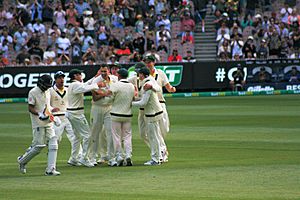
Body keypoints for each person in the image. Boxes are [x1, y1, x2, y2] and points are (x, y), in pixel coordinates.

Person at [17, 75, 61, 176]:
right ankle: (22, 161)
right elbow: (30, 107)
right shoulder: (33, 92)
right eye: (46, 86)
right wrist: (39, 113)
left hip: (48, 121)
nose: (47, 88)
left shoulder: (48, 91)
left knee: (54, 143)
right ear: (41, 83)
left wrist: (53, 113)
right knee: (38, 147)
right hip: (38, 122)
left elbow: (47, 107)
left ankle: (50, 169)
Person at [66, 68, 104, 167]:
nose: (81, 76)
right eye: (79, 74)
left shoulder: (74, 84)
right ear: (75, 76)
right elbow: (85, 88)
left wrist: (96, 77)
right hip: (76, 114)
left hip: (72, 113)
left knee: (77, 136)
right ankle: (84, 158)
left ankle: (74, 158)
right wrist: (97, 85)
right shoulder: (75, 85)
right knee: (87, 135)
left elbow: (85, 84)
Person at [144, 55, 176, 162]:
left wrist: (171, 89)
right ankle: (161, 151)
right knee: (155, 131)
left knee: (164, 129)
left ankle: (162, 149)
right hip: (150, 106)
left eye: (149, 62)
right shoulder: (143, 75)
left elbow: (167, 86)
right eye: (146, 62)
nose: (148, 64)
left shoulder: (160, 73)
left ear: (154, 62)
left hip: (161, 104)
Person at [49, 71, 82, 166]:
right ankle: (51, 158)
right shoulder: (50, 91)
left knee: (75, 137)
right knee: (56, 139)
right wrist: (51, 110)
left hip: (68, 116)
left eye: (63, 77)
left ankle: (77, 158)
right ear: (55, 80)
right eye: (59, 78)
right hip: (56, 119)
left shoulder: (68, 89)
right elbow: (46, 105)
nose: (61, 80)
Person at [132, 67, 164, 166]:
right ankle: (158, 157)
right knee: (154, 136)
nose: (138, 75)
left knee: (153, 137)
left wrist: (129, 103)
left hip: (152, 114)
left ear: (143, 74)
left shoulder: (148, 83)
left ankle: (156, 159)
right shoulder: (148, 81)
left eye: (139, 74)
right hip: (154, 113)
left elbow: (143, 102)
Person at [89, 65, 118, 166]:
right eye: (102, 72)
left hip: (109, 108)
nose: (103, 74)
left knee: (110, 132)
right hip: (97, 108)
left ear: (109, 71)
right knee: (95, 132)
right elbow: (95, 98)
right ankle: (92, 157)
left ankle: (111, 157)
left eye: (105, 71)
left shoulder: (114, 80)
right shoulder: (95, 81)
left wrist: (105, 92)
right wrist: (104, 94)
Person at [109, 68, 135, 166]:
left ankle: (119, 156)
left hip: (115, 114)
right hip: (127, 115)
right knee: (127, 136)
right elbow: (133, 98)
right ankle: (128, 155)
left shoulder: (115, 85)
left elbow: (110, 98)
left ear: (119, 76)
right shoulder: (131, 86)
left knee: (116, 136)